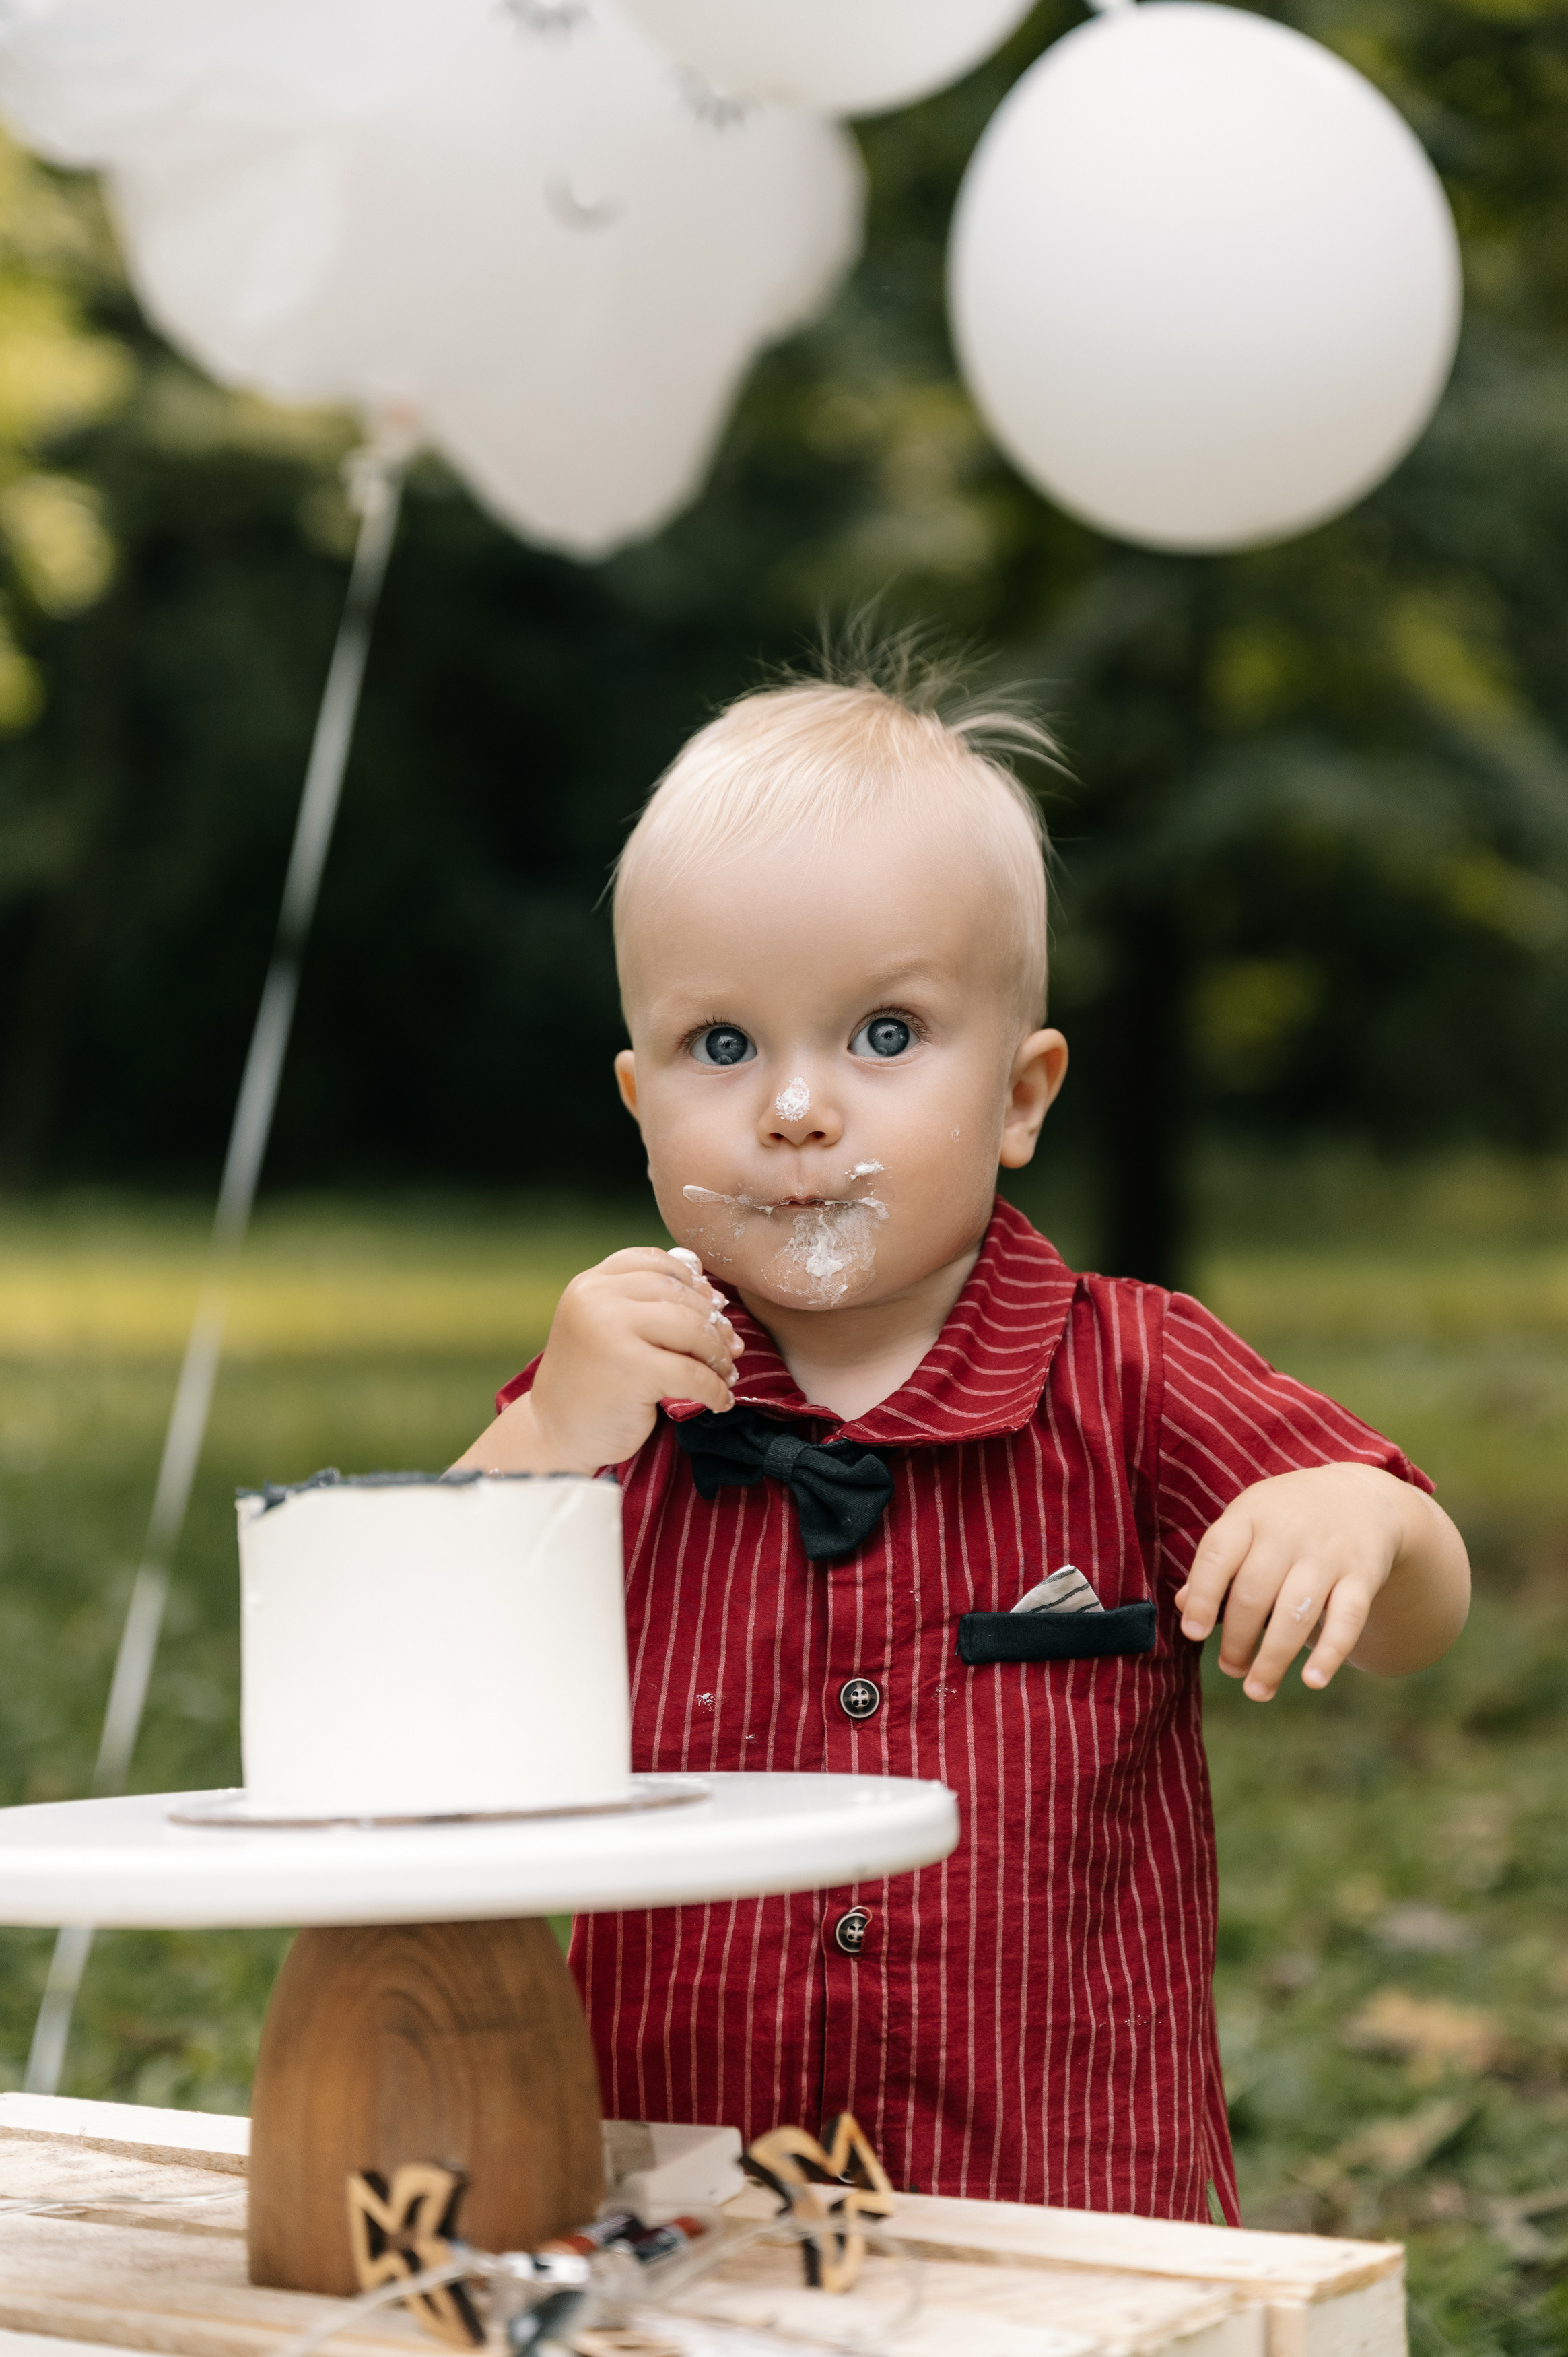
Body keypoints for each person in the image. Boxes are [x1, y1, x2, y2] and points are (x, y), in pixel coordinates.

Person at [454, 653, 1469, 2223]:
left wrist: (1358, 1518)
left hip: (1061, 2200)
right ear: (639, 1099)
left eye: (881, 1034)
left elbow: (1420, 1615)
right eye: (722, 1046)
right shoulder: (622, 1387)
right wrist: (544, 1428)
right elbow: (410, 1659)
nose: (796, 1107)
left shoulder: (1131, 1368)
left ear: (1022, 1091)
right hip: (681, 2200)